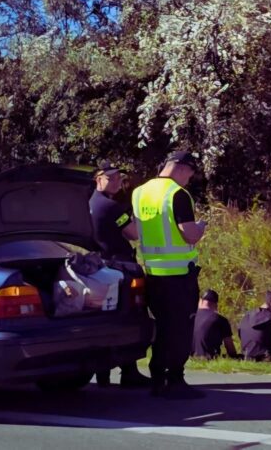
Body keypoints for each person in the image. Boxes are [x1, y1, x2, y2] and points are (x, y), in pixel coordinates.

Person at [132, 150, 208, 398]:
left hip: (153, 274)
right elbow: (190, 235)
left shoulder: (139, 192)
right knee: (180, 328)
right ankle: (175, 379)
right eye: (190, 172)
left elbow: (134, 230)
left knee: (162, 326)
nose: (190, 178)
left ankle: (157, 377)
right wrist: (201, 228)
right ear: (180, 167)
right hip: (178, 276)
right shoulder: (177, 194)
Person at [88, 160, 152, 388]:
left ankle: (103, 373)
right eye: (111, 177)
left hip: (100, 267)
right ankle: (129, 371)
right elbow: (134, 233)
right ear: (99, 179)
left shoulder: (90, 203)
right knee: (129, 316)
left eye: (118, 177)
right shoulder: (111, 207)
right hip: (120, 267)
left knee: (105, 318)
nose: (116, 182)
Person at [192, 289, 237, 359]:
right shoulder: (221, 320)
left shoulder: (189, 317)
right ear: (216, 305)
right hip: (209, 359)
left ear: (200, 301)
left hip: (189, 359)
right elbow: (230, 348)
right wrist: (235, 357)